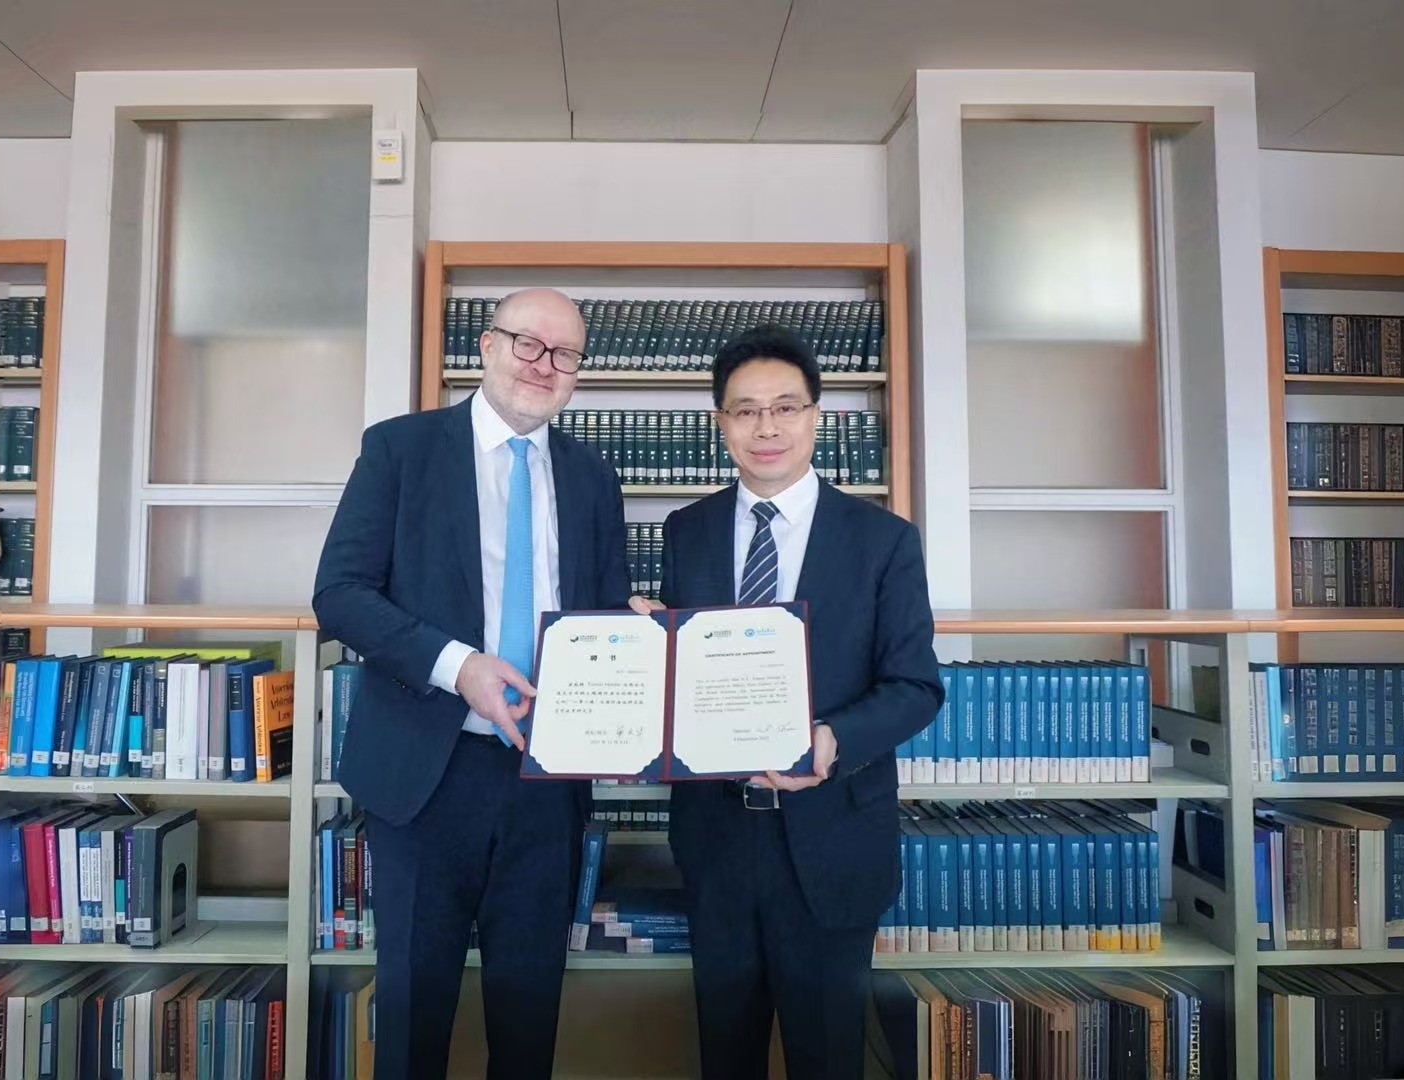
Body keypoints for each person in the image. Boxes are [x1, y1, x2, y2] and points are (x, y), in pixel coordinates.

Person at [312, 287, 630, 1079]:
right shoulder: (401, 450)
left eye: (564, 354)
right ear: (485, 346)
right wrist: (460, 667)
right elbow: (340, 595)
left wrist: (638, 636)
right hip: (427, 773)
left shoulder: (594, 478)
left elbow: (603, 615)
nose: (543, 365)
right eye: (528, 344)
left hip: (547, 781)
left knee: (527, 1018)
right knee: (414, 1016)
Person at [658, 323, 944, 1079]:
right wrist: (646, 653)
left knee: (826, 1057)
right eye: (745, 410)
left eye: (785, 407)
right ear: (720, 423)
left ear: (817, 415)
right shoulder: (685, 532)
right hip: (716, 836)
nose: (767, 427)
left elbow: (916, 686)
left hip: (832, 835)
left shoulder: (882, 539)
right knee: (725, 1055)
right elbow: (685, 679)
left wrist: (832, 739)